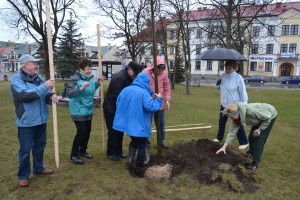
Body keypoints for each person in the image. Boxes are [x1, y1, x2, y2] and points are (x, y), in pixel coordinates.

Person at [10, 54, 57, 187]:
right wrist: (45, 86)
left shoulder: (38, 78)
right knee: (25, 149)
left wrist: (51, 97)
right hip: (26, 121)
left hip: (41, 119)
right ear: (26, 65)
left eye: (36, 63)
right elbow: (25, 96)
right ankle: (23, 175)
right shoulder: (17, 80)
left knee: (40, 145)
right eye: (34, 63)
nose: (36, 66)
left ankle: (38, 168)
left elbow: (44, 95)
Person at [113, 72, 163, 177]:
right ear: (146, 82)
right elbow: (151, 107)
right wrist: (159, 99)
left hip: (127, 124)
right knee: (142, 144)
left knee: (134, 140)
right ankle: (139, 169)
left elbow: (118, 103)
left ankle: (130, 159)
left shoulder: (125, 90)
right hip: (140, 124)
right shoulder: (143, 93)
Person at [216, 103, 277, 170]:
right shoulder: (235, 119)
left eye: (233, 115)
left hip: (269, 116)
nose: (232, 117)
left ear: (237, 111)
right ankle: (251, 153)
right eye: (230, 116)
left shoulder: (250, 111)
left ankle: (255, 163)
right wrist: (224, 147)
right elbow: (232, 133)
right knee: (251, 137)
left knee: (259, 139)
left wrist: (260, 129)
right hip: (258, 119)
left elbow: (267, 117)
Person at [103, 61, 143, 161]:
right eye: (135, 72)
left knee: (120, 130)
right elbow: (121, 97)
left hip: (119, 108)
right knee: (113, 131)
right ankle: (111, 152)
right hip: (111, 108)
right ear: (129, 69)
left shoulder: (128, 77)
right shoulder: (120, 78)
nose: (136, 75)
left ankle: (118, 151)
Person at [66, 58, 103, 164]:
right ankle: (73, 155)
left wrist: (97, 83)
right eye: (87, 69)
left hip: (88, 109)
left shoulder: (90, 78)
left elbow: (91, 89)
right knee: (81, 132)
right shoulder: (75, 79)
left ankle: (83, 151)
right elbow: (69, 93)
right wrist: (81, 88)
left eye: (90, 68)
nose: (90, 71)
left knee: (87, 132)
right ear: (81, 69)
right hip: (77, 109)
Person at [213, 60, 249, 150]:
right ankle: (219, 137)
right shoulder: (223, 76)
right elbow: (219, 88)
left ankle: (244, 142)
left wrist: (243, 104)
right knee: (221, 121)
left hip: (234, 105)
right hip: (224, 104)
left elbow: (243, 92)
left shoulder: (238, 78)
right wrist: (218, 81)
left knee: (237, 122)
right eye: (226, 68)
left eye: (230, 68)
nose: (227, 70)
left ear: (235, 68)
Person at [143, 56, 171, 149]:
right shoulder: (145, 72)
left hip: (160, 103)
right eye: (159, 68)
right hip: (149, 103)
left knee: (160, 123)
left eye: (162, 68)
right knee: (147, 122)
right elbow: (142, 86)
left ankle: (161, 140)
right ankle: (146, 141)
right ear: (154, 67)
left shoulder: (164, 74)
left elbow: (167, 87)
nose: (161, 70)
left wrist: (167, 100)